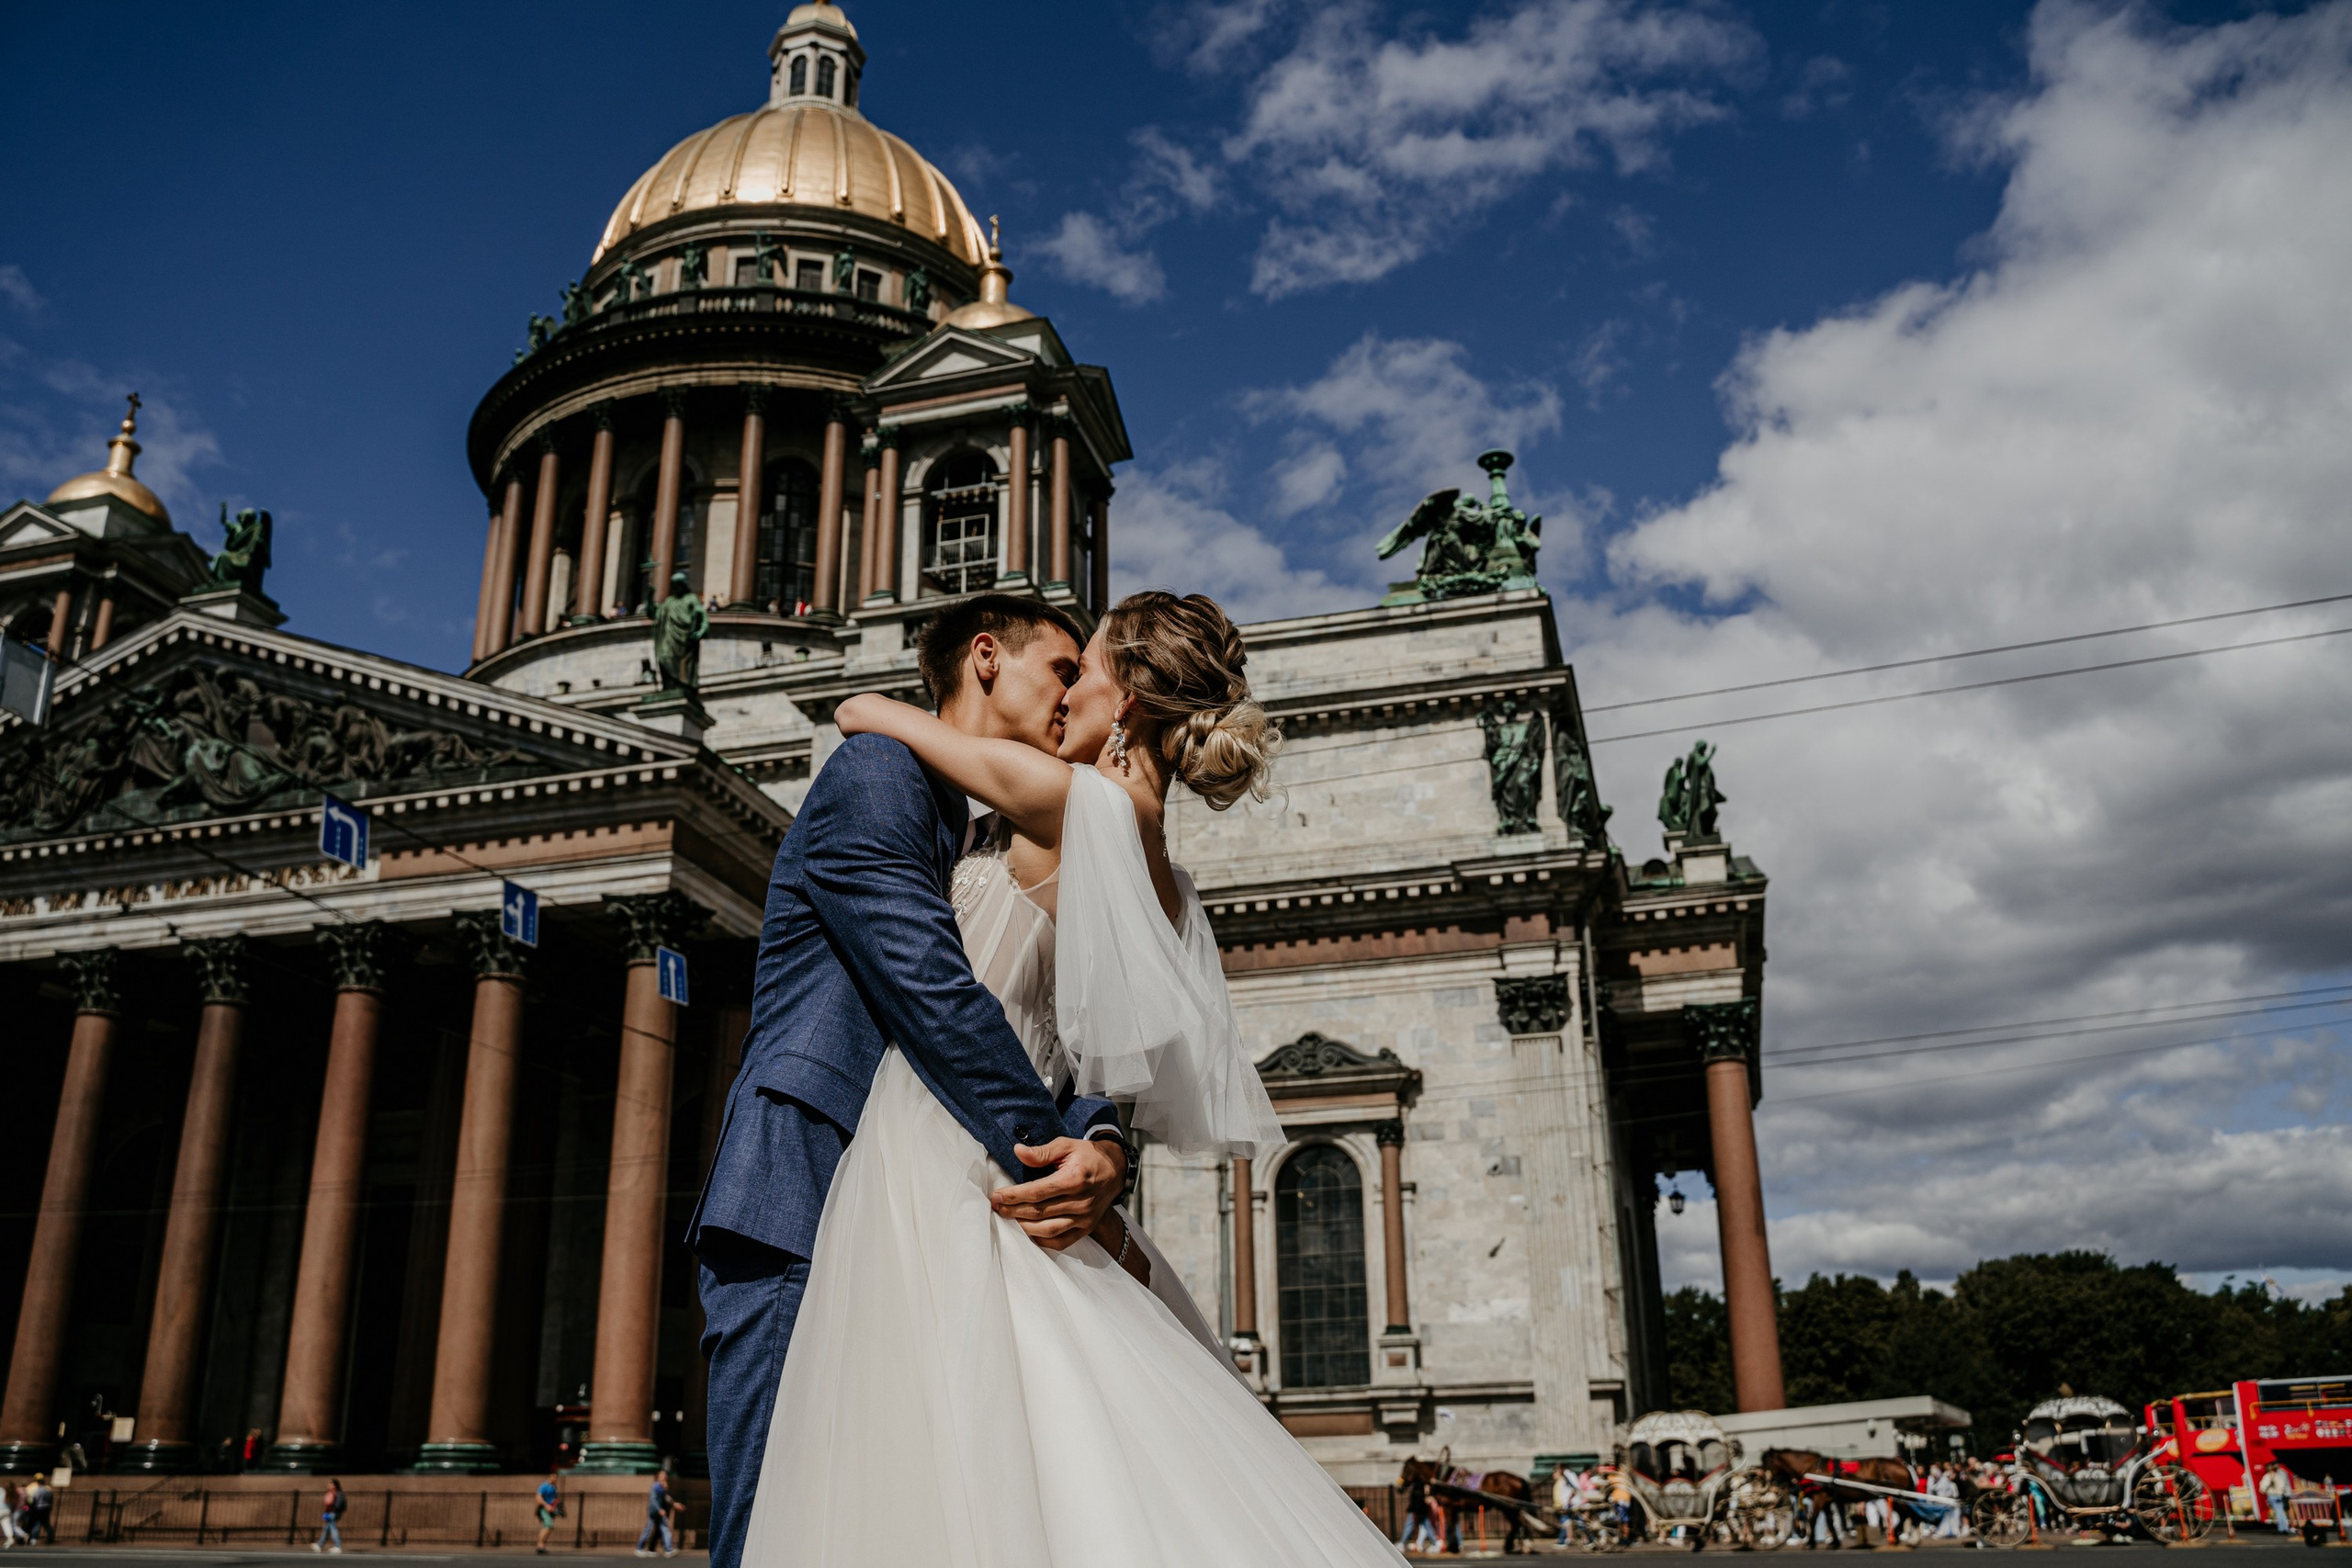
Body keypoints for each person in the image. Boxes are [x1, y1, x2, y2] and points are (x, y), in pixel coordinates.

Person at [738, 591, 1410, 1566]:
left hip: (950, 1153)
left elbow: (941, 992)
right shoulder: (1158, 860)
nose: (1067, 697)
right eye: (1059, 670)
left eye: (1080, 671)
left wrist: (873, 711)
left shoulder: (1077, 803)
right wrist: (1098, 1145)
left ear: (1127, 699)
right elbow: (1090, 1050)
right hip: (1001, 1156)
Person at [690, 595, 1136, 1568]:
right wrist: (1053, 1159)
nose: (1073, 696)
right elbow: (930, 989)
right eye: (1062, 669)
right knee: (774, 1532)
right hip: (803, 1198)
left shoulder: (991, 824)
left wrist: (1103, 1143)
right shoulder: (878, 772)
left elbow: (1057, 1024)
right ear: (986, 658)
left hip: (923, 1225)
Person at [638, 1469, 677, 1559]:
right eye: (662, 1475)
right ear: (658, 1477)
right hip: (654, 1511)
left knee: (664, 1528)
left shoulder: (661, 1486)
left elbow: (666, 1497)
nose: (664, 1477)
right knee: (648, 1529)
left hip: (659, 1511)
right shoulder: (655, 1486)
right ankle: (639, 1548)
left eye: (665, 1475)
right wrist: (660, 1509)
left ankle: (668, 1549)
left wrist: (674, 1503)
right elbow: (653, 1499)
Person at [1401, 1475, 1439, 1555]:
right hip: (1420, 1509)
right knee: (1425, 1526)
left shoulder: (1419, 1484)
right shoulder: (1419, 1484)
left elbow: (1421, 1496)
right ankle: (1434, 1543)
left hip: (1418, 1509)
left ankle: (1402, 1543)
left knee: (1411, 1525)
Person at [311, 1479, 345, 1554]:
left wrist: (334, 1510)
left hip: (333, 1513)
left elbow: (338, 1504)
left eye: (331, 1484)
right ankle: (319, 1545)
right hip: (329, 1513)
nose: (329, 1485)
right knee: (326, 1528)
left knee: (333, 1528)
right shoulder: (333, 1493)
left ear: (335, 1485)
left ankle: (337, 1546)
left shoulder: (338, 1493)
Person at [535, 1469, 563, 1554]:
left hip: (551, 1509)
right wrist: (546, 1505)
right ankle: (539, 1545)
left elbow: (555, 1498)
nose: (556, 1479)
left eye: (556, 1477)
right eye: (554, 1477)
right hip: (544, 1509)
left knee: (549, 1527)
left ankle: (542, 1545)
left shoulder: (553, 1487)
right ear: (549, 1477)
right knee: (548, 1525)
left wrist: (556, 1507)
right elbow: (538, 1497)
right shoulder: (544, 1486)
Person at [2263, 1462, 2293, 1531]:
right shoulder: (2282, 1473)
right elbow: (2285, 1484)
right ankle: (2287, 1527)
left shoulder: (2271, 1475)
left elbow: (2263, 1486)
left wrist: (2266, 1490)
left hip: (2275, 1495)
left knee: (2280, 1512)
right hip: (2283, 1494)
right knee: (2284, 1511)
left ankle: (2283, 1528)